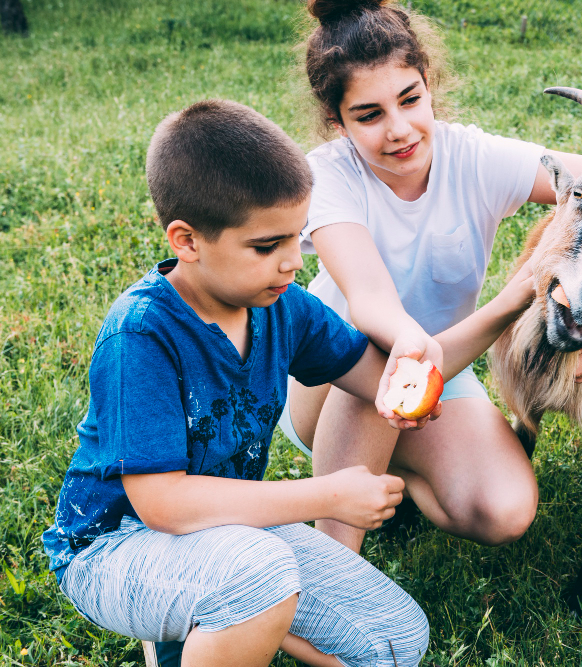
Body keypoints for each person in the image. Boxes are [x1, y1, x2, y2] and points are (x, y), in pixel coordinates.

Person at [42, 99, 433, 667]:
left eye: (297, 239)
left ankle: (204, 625)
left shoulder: (283, 307)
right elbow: (164, 505)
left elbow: (374, 377)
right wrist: (329, 496)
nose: (292, 263)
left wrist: (413, 381)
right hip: (114, 548)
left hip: (230, 535)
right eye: (265, 246)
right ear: (187, 241)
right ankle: (193, 629)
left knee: (396, 640)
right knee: (260, 576)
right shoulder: (141, 333)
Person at [280, 0, 582, 553]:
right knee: (387, 361)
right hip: (337, 379)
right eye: (369, 115)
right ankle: (333, 561)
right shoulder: (329, 176)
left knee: (505, 509)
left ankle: (396, 475)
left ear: (428, 84)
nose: (400, 130)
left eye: (411, 99)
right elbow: (368, 300)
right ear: (336, 120)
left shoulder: (471, 157)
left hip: (443, 366)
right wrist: (495, 309)